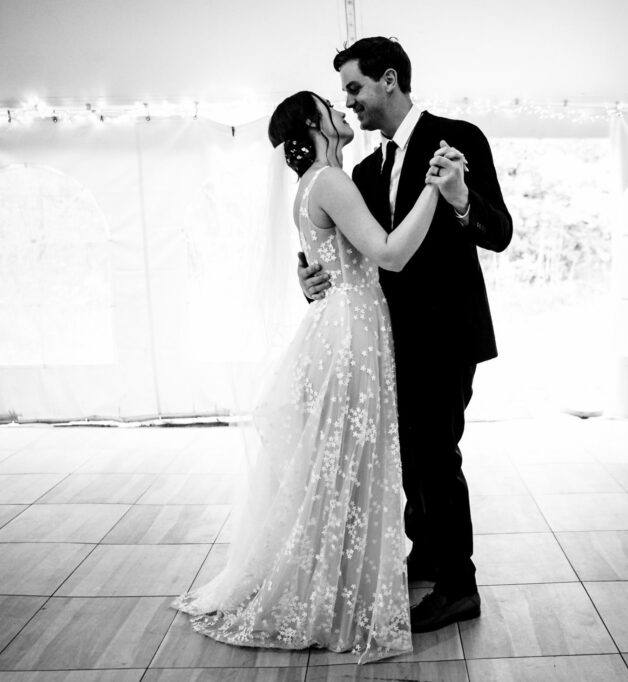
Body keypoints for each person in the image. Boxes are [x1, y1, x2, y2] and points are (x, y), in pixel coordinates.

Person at [172, 90, 452, 663]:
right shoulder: (331, 182)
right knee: (347, 461)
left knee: (336, 461)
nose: (342, 109)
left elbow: (325, 258)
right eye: (331, 105)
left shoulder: (309, 185)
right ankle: (331, 592)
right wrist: (433, 188)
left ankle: (331, 580)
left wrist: (308, 278)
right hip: (351, 330)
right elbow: (390, 254)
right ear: (313, 124)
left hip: (338, 324)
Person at [300, 37, 513, 633]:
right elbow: (357, 251)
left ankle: (459, 586)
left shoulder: (458, 139)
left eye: (354, 88)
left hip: (446, 335)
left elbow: (499, 233)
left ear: (389, 79)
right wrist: (310, 275)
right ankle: (427, 552)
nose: (349, 101)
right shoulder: (365, 171)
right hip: (385, 338)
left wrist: (460, 197)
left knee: (437, 455)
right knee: (408, 457)